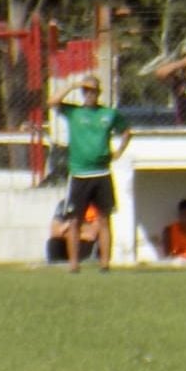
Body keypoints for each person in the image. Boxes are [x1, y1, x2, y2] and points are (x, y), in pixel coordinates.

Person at [49, 75, 131, 272]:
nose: (89, 94)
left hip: (102, 173)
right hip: (80, 174)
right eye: (85, 90)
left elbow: (127, 131)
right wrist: (72, 85)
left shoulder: (108, 114)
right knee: (74, 220)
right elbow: (52, 102)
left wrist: (119, 151)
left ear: (98, 93)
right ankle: (74, 264)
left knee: (104, 219)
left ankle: (105, 264)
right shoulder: (74, 112)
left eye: (92, 90)